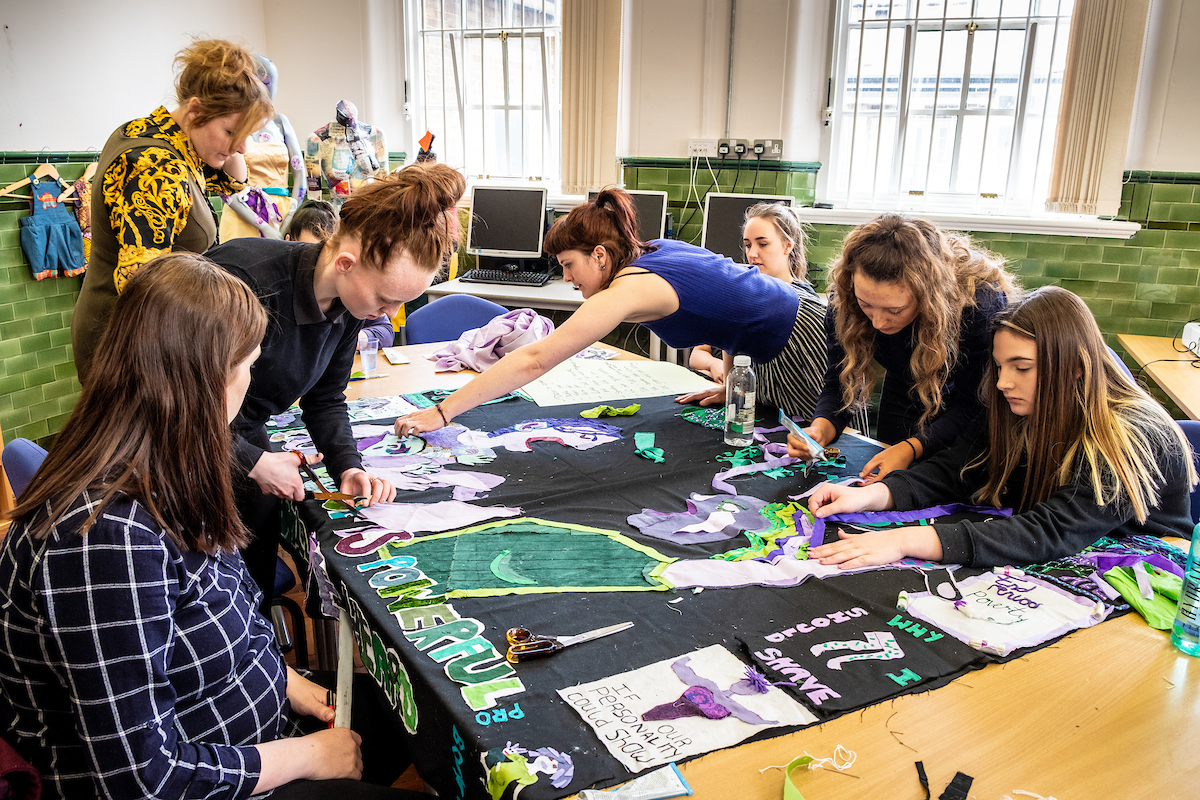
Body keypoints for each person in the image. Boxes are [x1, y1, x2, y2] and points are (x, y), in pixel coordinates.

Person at [0, 254, 424, 799]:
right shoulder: (103, 539)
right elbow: (141, 777)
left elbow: (221, 616)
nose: (251, 386)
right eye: (248, 366)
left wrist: (283, 681)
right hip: (213, 780)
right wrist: (306, 756)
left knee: (422, 723)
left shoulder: (168, 465)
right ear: (202, 381)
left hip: (254, 722)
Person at [207, 162, 464, 601]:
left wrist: (348, 465)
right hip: (184, 450)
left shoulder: (348, 306)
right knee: (216, 595)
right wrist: (251, 460)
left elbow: (325, 398)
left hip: (240, 436)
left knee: (252, 588)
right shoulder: (244, 283)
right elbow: (174, 405)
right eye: (385, 299)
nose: (389, 315)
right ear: (346, 263)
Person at [802, 286, 1197, 569]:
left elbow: (1053, 530)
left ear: (1075, 367)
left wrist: (906, 539)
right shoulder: (1012, 403)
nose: (1005, 382)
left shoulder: (1132, 433)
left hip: (1146, 575)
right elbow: (953, 470)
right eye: (1000, 366)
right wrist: (870, 496)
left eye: (1021, 368)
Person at [393, 188, 829, 437]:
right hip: (779, 330)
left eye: (569, 265)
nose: (568, 279)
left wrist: (443, 412)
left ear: (600, 254)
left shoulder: (630, 287)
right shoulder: (654, 250)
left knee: (819, 442)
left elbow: (535, 357)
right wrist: (729, 382)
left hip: (802, 335)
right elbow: (732, 309)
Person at [71, 38, 272, 384]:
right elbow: (142, 281)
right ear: (195, 111)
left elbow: (233, 183)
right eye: (230, 132)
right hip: (129, 341)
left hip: (149, 330)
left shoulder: (169, 138)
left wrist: (234, 134)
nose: (241, 146)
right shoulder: (155, 166)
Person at [793, 214, 1019, 482]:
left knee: (945, 482)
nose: (877, 322)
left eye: (894, 310)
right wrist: (821, 427)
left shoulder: (979, 304)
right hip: (905, 383)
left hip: (966, 402)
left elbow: (973, 405)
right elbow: (840, 381)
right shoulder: (845, 301)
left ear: (928, 296)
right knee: (889, 478)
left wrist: (912, 448)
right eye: (866, 304)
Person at [689, 202, 823, 404]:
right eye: (748, 244)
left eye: (763, 244)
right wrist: (730, 389)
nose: (752, 254)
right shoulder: (747, 294)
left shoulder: (802, 301)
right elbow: (728, 341)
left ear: (788, 245)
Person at [285, 199, 394, 348]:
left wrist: (349, 341)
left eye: (321, 252)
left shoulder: (348, 288)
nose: (314, 260)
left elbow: (385, 331)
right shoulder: (279, 289)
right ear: (288, 241)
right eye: (306, 250)